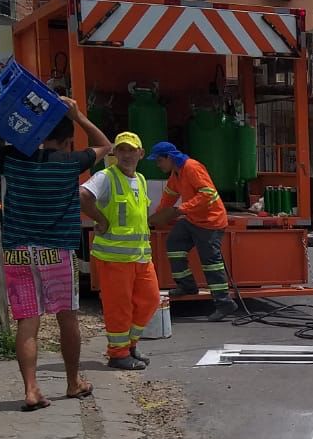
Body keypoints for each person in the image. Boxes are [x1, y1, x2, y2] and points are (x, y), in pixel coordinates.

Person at [0, 98, 112, 411]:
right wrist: (79, 115)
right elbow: (105, 145)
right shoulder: (71, 162)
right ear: (68, 141)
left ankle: (31, 390)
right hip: (56, 251)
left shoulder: (11, 157)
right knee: (67, 318)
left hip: (17, 252)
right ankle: (72, 383)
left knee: (28, 322)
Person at [79, 131, 157, 370]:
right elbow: (82, 195)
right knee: (118, 307)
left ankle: (129, 345)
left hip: (141, 257)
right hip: (114, 258)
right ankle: (118, 353)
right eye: (121, 150)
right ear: (114, 153)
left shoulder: (141, 179)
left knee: (150, 300)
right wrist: (100, 220)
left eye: (131, 150)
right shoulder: (106, 177)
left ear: (140, 154)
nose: (125, 154)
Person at [146, 142, 236, 322]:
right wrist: (156, 218)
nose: (158, 165)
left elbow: (207, 194)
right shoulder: (176, 173)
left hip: (210, 221)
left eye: (159, 160)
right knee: (174, 244)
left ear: (169, 158)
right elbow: (169, 198)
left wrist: (182, 209)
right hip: (193, 219)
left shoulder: (192, 168)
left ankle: (224, 303)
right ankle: (187, 286)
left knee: (211, 262)